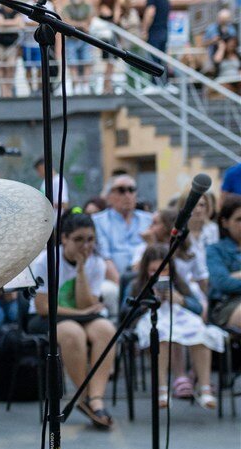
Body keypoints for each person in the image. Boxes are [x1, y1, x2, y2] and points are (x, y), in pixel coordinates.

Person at [28, 211, 115, 429]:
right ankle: (83, 397)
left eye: (90, 240)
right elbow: (43, 307)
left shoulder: (96, 263)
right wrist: (81, 314)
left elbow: (86, 304)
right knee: (72, 333)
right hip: (45, 318)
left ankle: (96, 399)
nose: (85, 246)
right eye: (78, 239)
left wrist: (82, 270)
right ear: (64, 238)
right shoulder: (45, 261)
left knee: (106, 330)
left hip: (81, 315)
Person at [132, 243, 221, 410]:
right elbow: (127, 311)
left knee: (201, 335)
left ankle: (205, 388)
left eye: (164, 270)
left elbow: (198, 308)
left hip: (180, 318)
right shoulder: (137, 285)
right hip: (152, 320)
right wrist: (148, 301)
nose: (159, 275)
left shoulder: (179, 283)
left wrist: (182, 300)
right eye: (154, 271)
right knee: (161, 337)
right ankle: (162, 390)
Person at [93, 173, 153, 304]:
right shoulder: (98, 221)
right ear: (108, 197)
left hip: (146, 276)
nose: (128, 195)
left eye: (131, 190)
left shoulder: (149, 219)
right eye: (121, 190)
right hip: (115, 279)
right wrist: (126, 287)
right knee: (110, 291)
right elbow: (105, 259)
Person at [207, 194, 241, 328]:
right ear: (225, 222)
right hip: (226, 305)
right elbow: (222, 282)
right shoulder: (215, 250)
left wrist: (236, 275)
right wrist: (230, 279)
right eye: (239, 219)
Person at [0, 0, 24, 98]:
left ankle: (8, 91)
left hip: (12, 44)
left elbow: (20, 24)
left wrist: (5, 24)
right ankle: (3, 92)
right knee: (1, 66)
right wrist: (13, 24)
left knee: (11, 66)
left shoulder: (17, 11)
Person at [63, 0, 95, 95]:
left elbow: (89, 22)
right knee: (72, 63)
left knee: (87, 61)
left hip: (85, 38)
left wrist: (76, 24)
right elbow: (66, 21)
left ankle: (85, 86)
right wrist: (81, 24)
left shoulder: (88, 5)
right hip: (71, 39)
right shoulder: (67, 6)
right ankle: (76, 86)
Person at [142, 0, 170, 82]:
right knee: (162, 59)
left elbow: (150, 13)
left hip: (154, 32)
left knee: (153, 59)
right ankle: (164, 83)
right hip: (164, 32)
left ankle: (154, 84)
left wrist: (144, 30)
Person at [203, 9, 237, 78]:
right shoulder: (211, 28)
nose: (223, 21)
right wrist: (213, 40)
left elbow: (234, 40)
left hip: (227, 56)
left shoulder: (231, 28)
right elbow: (203, 44)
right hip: (213, 55)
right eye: (222, 19)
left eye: (225, 19)